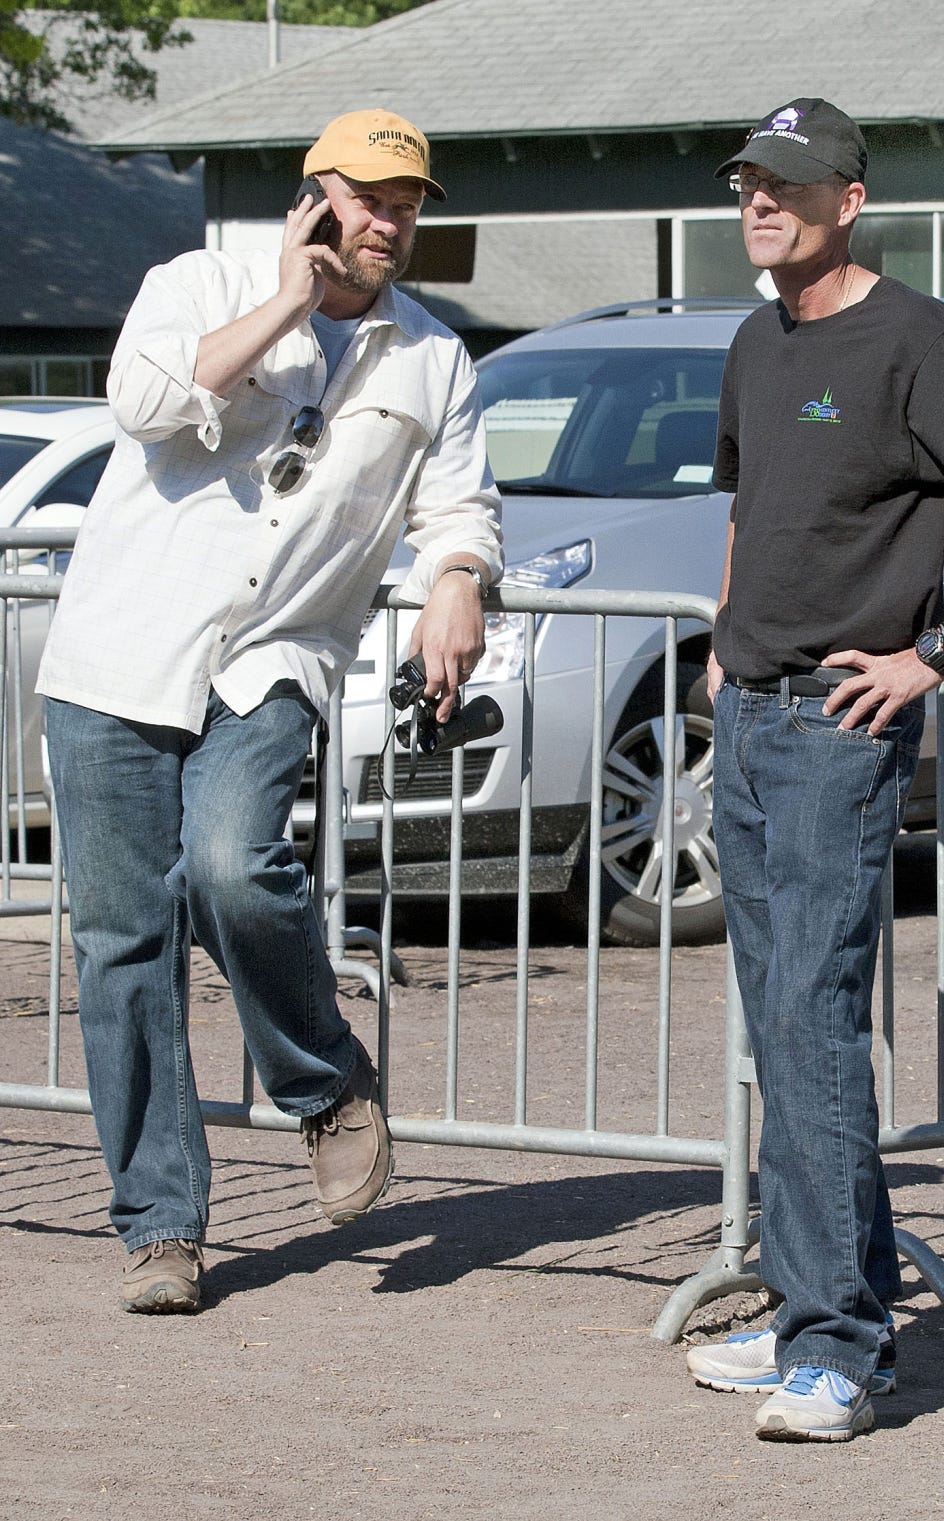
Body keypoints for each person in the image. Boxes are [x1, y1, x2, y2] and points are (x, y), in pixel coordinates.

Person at [37, 107, 503, 1315]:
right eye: (370, 199)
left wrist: (459, 578)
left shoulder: (433, 358)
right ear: (314, 198)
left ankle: (325, 1084)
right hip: (119, 655)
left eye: (407, 204)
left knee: (234, 868)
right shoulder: (199, 282)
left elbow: (459, 508)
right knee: (122, 946)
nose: (390, 222)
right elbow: (143, 403)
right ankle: (160, 1228)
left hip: (273, 657)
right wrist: (288, 306)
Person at [684, 98, 944, 1441]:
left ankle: (838, 1353)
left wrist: (940, 651)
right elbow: (751, 507)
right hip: (752, 721)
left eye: (788, 185)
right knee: (782, 1031)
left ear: (849, 201)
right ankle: (824, 1304)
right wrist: (722, 648)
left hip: (837, 731)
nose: (760, 202)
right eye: (749, 182)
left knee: (812, 1027)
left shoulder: (915, 337)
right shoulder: (757, 339)